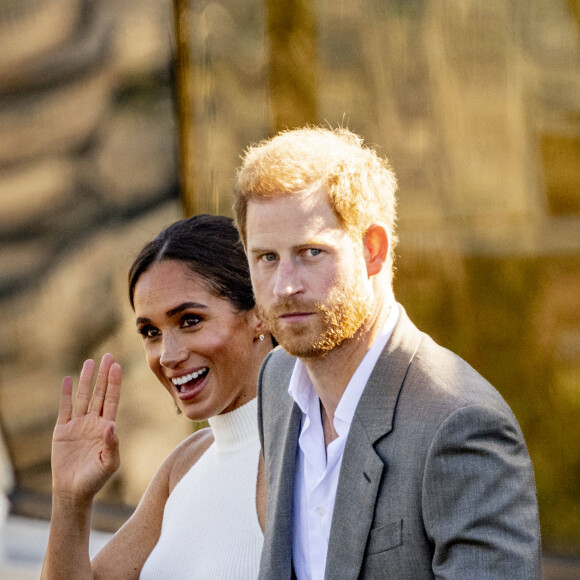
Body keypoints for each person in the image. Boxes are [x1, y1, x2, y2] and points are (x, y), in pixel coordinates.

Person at [233, 127, 542, 579]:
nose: (285, 286)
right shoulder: (278, 379)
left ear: (372, 249)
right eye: (267, 258)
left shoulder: (459, 423)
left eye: (311, 252)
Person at [41, 214, 272, 579]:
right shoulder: (185, 463)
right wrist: (70, 500)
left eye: (190, 320)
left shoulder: (309, 447)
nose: (168, 355)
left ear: (260, 314)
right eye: (151, 331)